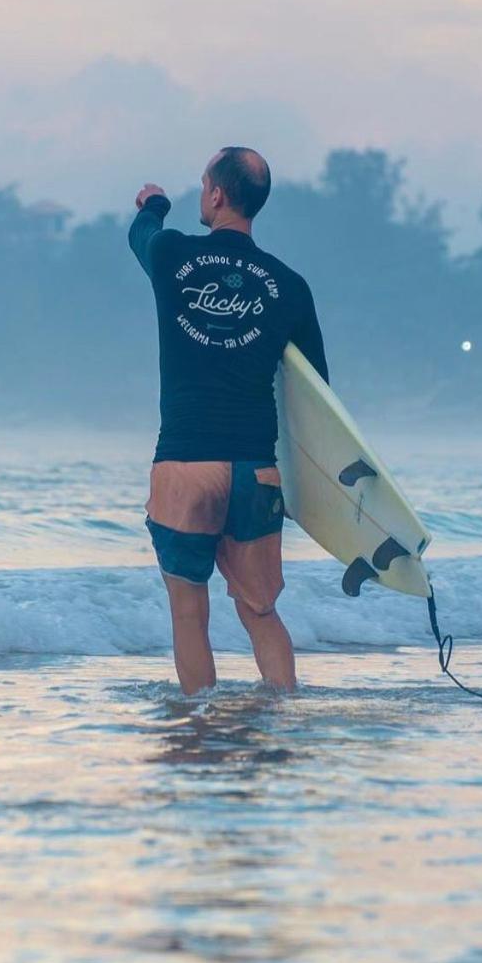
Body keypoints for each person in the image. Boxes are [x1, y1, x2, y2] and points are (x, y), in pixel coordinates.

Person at [130, 148, 328, 694]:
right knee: (260, 611)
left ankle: (200, 727)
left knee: (190, 611)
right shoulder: (289, 286)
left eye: (202, 184)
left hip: (186, 464)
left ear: (216, 195)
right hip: (255, 471)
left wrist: (155, 203)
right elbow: (315, 396)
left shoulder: (171, 254)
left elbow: (140, 232)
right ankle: (283, 714)